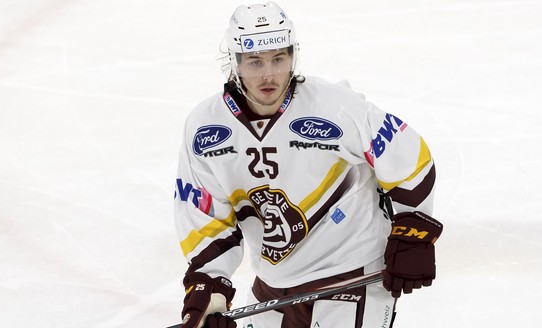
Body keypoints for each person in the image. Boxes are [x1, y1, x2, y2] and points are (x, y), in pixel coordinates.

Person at [174, 2, 443, 327]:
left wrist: (414, 229)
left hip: (353, 276)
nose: (269, 74)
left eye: (278, 58)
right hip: (272, 289)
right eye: (255, 62)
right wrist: (211, 294)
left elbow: (407, 155)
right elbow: (207, 220)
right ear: (235, 61)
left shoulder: (335, 106)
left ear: (293, 55)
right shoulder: (205, 128)